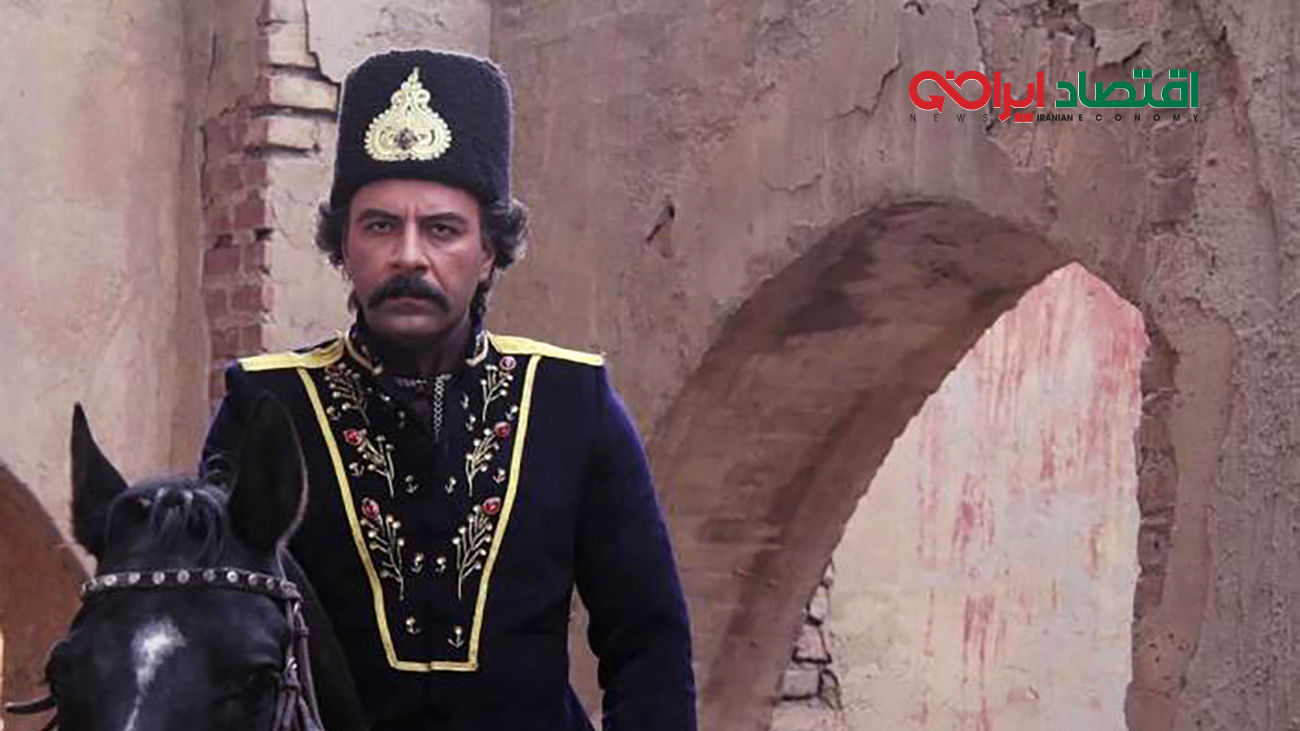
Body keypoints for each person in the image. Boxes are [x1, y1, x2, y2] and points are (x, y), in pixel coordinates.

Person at [202, 49, 696, 730]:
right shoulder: (267, 406)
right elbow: (212, 633)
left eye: (442, 229)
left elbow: (649, 644)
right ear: (342, 247)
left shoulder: (569, 402)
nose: (409, 255)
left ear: (488, 251)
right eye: (380, 225)